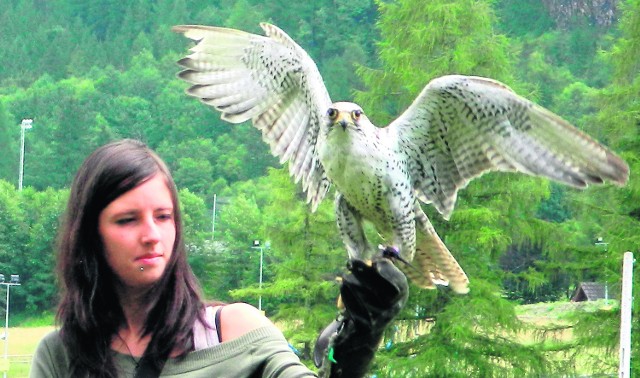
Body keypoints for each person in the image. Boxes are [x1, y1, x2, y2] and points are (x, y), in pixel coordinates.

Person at [30, 139, 408, 377]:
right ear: (90, 234)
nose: (151, 235)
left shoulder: (233, 330)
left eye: (164, 217)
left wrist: (359, 339)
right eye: (127, 220)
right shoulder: (61, 355)